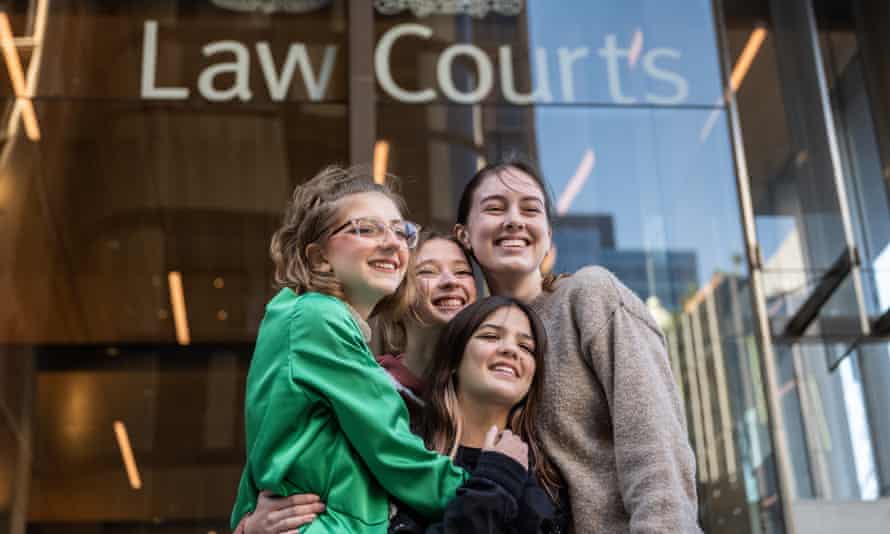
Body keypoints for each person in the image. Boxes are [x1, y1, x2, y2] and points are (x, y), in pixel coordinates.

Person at [230, 166, 527, 533]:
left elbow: (265, 441)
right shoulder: (315, 318)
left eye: (400, 231)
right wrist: (494, 484)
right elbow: (390, 447)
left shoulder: (306, 322)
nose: (392, 242)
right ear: (320, 257)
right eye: (366, 229)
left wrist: (243, 522)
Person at [453, 157, 701, 533]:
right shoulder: (476, 344)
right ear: (465, 235)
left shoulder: (590, 295)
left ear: (548, 236)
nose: (515, 220)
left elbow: (657, 449)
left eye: (530, 209)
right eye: (495, 208)